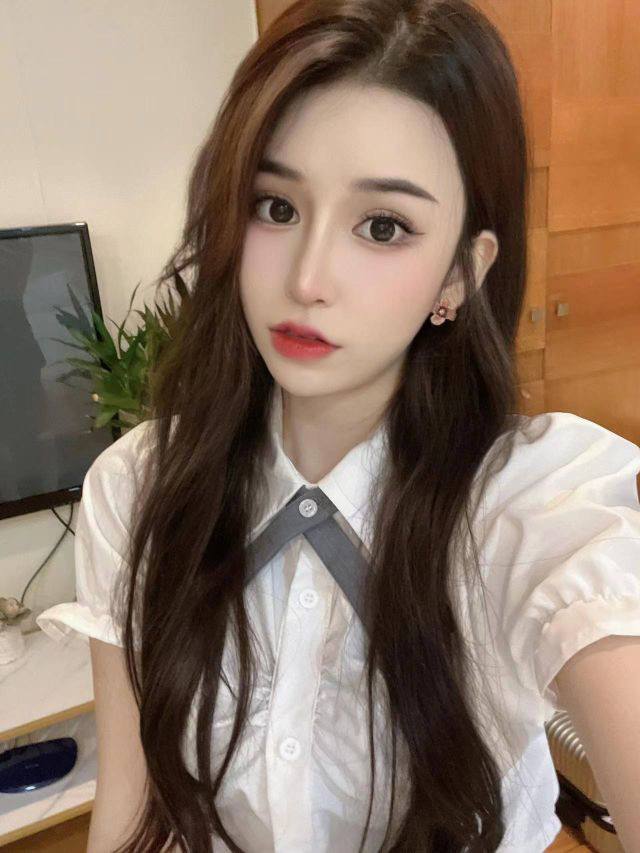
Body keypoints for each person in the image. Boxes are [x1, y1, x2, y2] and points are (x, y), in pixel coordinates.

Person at [36, 1, 640, 851]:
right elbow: (131, 814)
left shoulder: (534, 505)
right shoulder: (137, 487)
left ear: (460, 275)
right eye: (275, 206)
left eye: (383, 226)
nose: (308, 277)